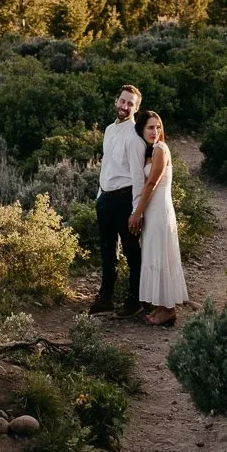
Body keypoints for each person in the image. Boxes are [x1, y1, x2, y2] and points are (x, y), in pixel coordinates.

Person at [91, 84, 146, 316]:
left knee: (132, 251)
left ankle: (135, 300)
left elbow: (137, 176)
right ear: (116, 101)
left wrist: (136, 211)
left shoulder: (135, 137)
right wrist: (99, 195)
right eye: (122, 101)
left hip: (125, 199)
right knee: (107, 250)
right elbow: (106, 165)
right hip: (105, 199)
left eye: (130, 104)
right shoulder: (109, 130)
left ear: (136, 108)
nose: (125, 107)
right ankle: (105, 297)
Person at [129, 111, 187, 327]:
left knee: (161, 255)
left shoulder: (161, 149)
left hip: (160, 210)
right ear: (142, 130)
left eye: (158, 127)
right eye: (150, 128)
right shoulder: (150, 151)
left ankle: (169, 309)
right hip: (152, 210)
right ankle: (162, 306)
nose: (155, 132)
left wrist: (136, 214)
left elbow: (151, 184)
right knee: (155, 253)